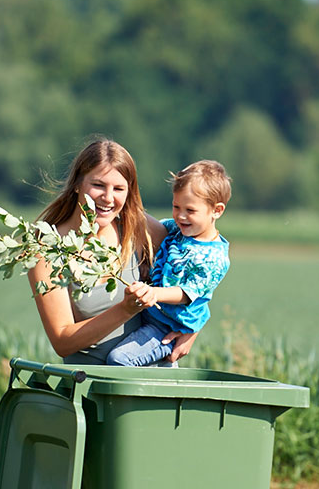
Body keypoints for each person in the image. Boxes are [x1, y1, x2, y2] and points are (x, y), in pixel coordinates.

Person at [28, 138, 196, 365]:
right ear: (77, 183)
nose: (108, 198)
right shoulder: (47, 249)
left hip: (158, 382)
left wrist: (193, 329)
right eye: (98, 185)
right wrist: (125, 310)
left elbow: (199, 273)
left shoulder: (140, 230)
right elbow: (62, 342)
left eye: (118, 189)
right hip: (91, 388)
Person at [105, 160, 231, 367]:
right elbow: (143, 223)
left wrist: (154, 293)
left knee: (119, 359)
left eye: (190, 210)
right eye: (176, 206)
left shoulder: (214, 257)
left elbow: (187, 293)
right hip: (151, 313)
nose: (181, 216)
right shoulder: (177, 229)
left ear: (216, 211)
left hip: (165, 328)